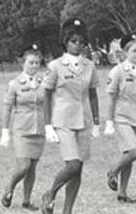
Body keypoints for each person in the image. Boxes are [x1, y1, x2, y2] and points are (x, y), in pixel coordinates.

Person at [40, 18, 100, 214]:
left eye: (81, 41)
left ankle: (68, 210)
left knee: (78, 169)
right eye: (74, 41)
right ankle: (50, 193)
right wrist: (48, 125)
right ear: (65, 42)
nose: (78, 45)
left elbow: (92, 93)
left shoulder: (89, 65)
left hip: (84, 120)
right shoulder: (55, 65)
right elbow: (47, 94)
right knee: (72, 165)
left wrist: (97, 121)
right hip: (63, 120)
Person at [104, 34, 136, 203]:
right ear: (125, 53)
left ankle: (122, 192)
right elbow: (111, 96)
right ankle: (113, 171)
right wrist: (109, 121)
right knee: (134, 151)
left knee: (129, 155)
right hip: (121, 116)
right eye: (134, 51)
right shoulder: (117, 71)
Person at [0, 44, 45, 211]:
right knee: (24, 166)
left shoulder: (43, 82)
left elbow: (49, 104)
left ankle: (26, 200)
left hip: (38, 130)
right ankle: (9, 187)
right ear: (23, 63)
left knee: (32, 167)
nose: (34, 66)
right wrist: (4, 131)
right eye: (30, 62)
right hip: (21, 130)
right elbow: (7, 107)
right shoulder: (15, 84)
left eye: (37, 63)